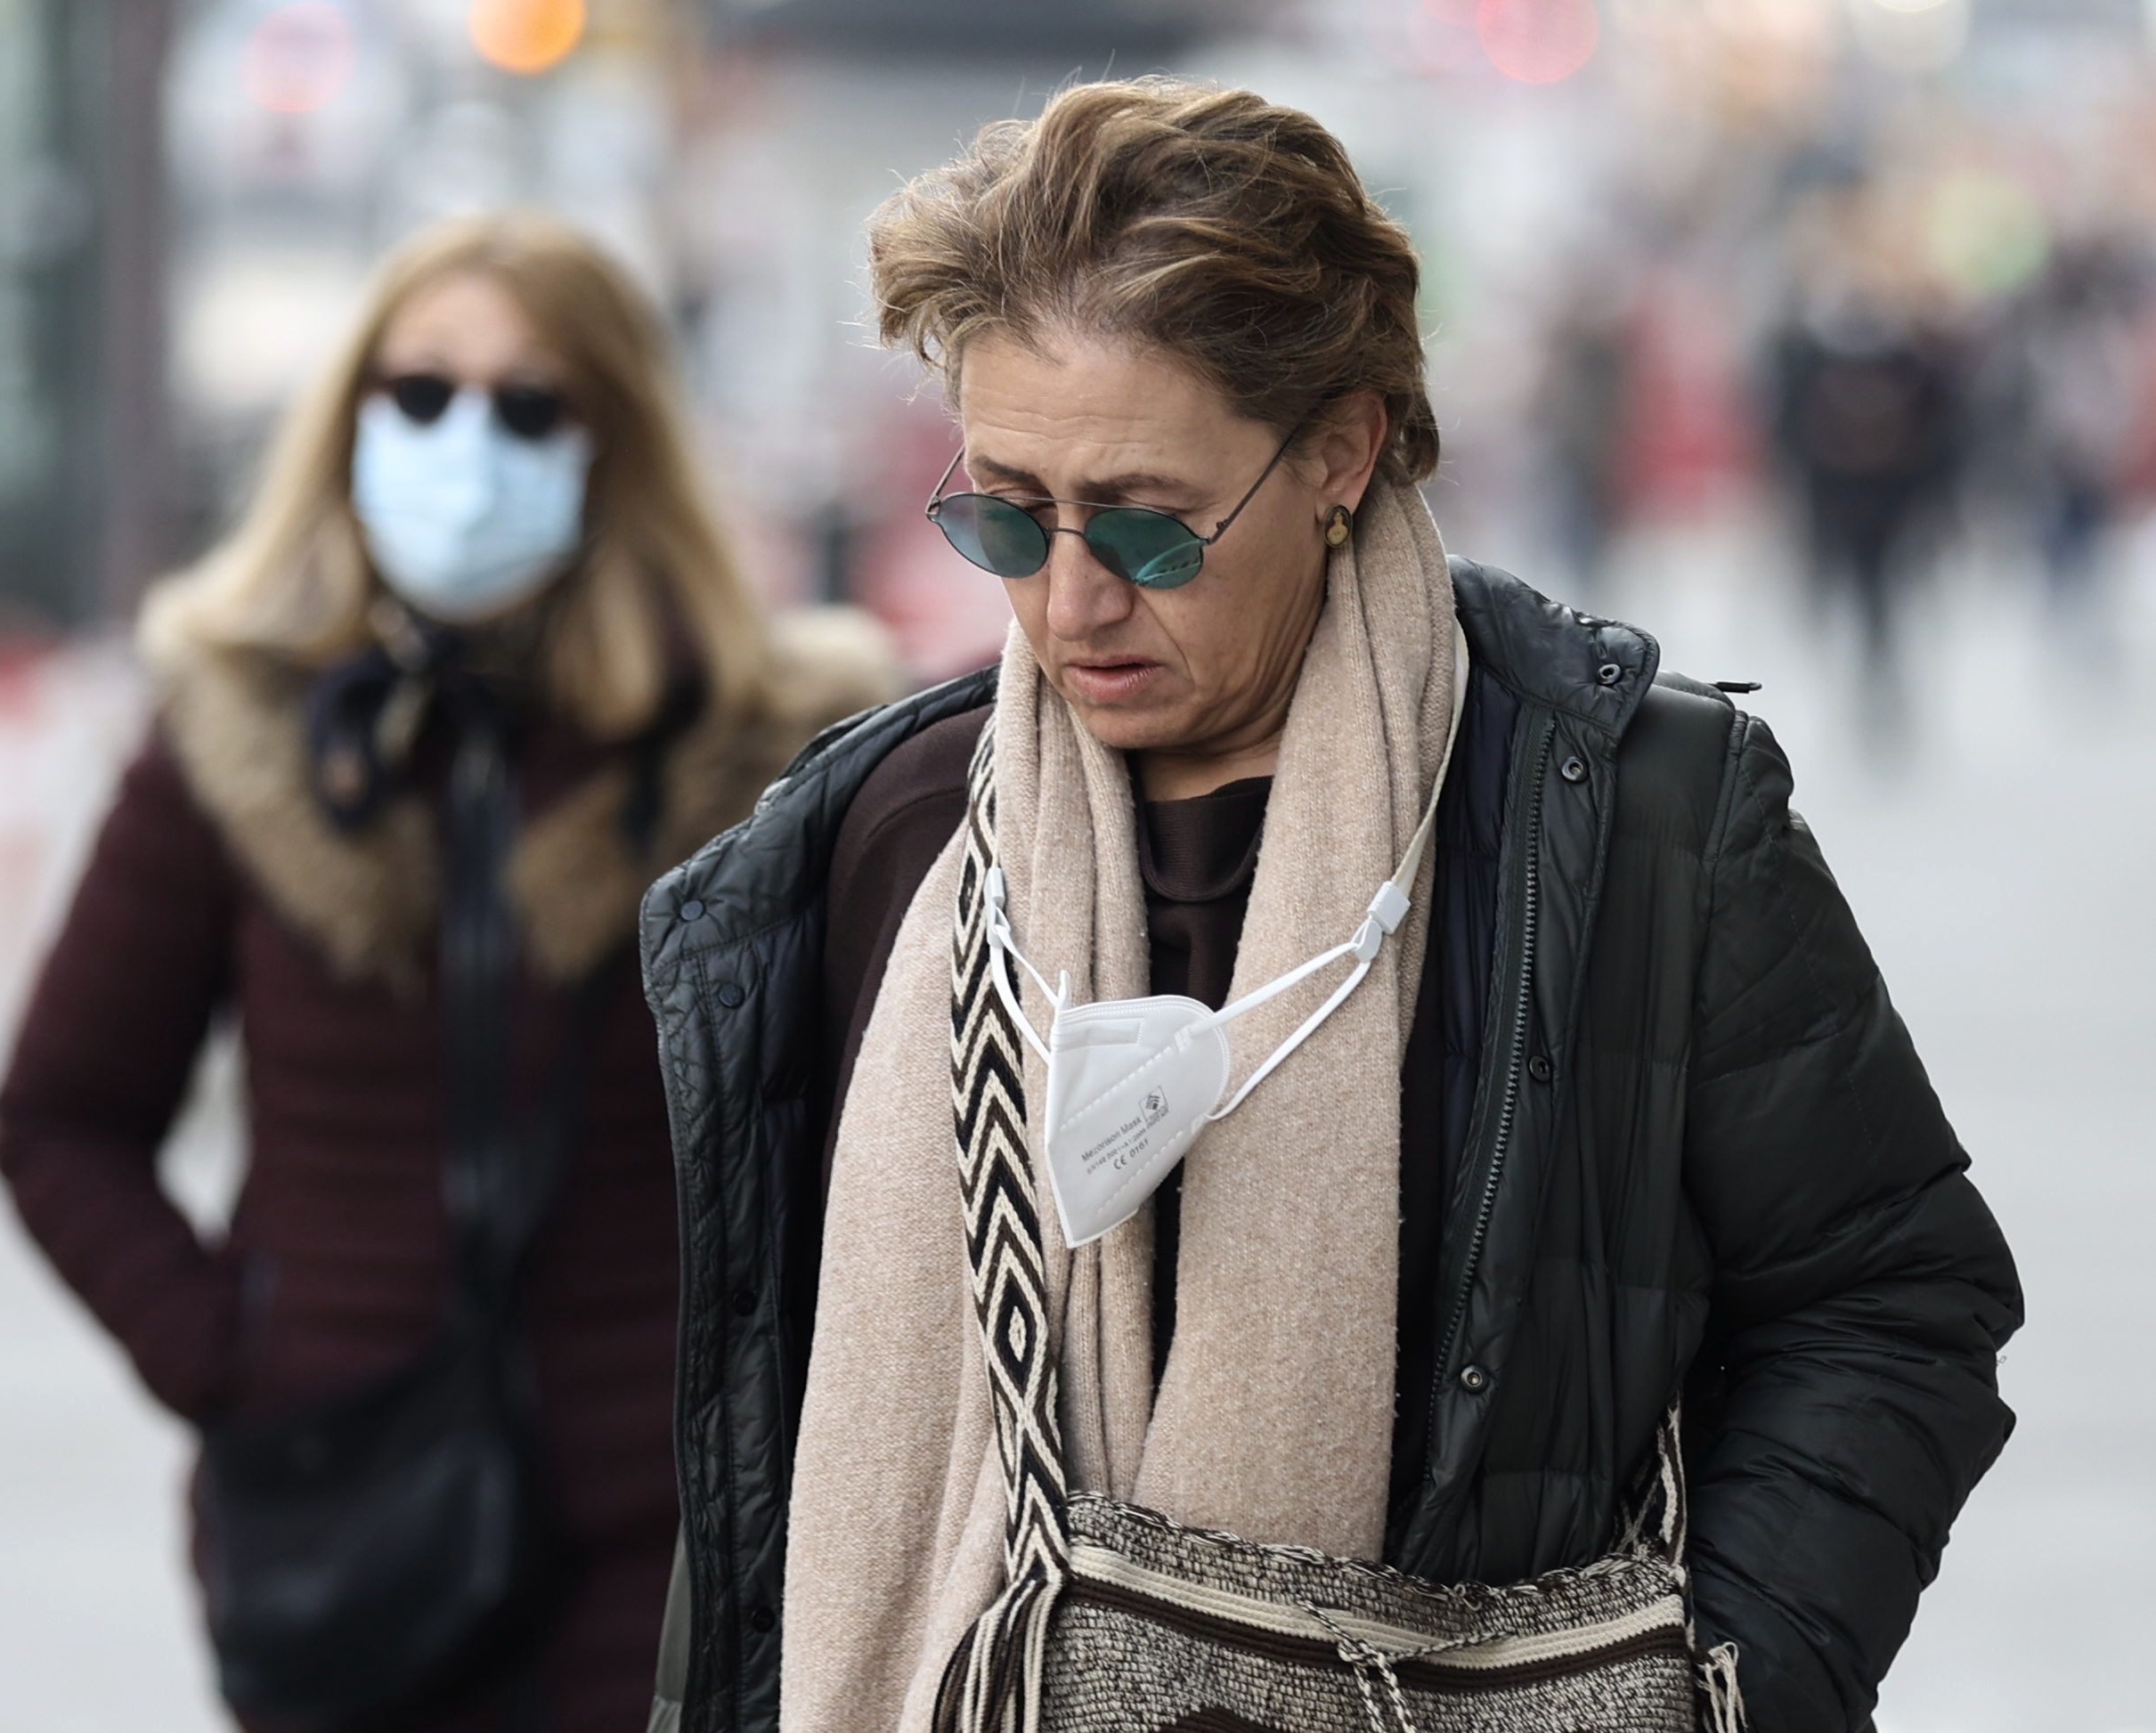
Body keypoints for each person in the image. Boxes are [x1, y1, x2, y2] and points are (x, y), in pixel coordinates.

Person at [639, 81, 2022, 1733]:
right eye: (1005, 510)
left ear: (1342, 454)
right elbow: (768, 1437)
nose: (1067, 597)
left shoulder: (1638, 814)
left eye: (1151, 526)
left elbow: (1890, 1298)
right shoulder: (893, 837)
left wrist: (1716, 1691)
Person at [0, 213, 895, 1733]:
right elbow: (60, 1116)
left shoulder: (760, 758)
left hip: (666, 1535)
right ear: (348, 420)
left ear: (616, 442)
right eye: (418, 393)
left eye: (532, 405)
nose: (467, 442)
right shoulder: (240, 740)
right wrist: (235, 1356)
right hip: (343, 1513)